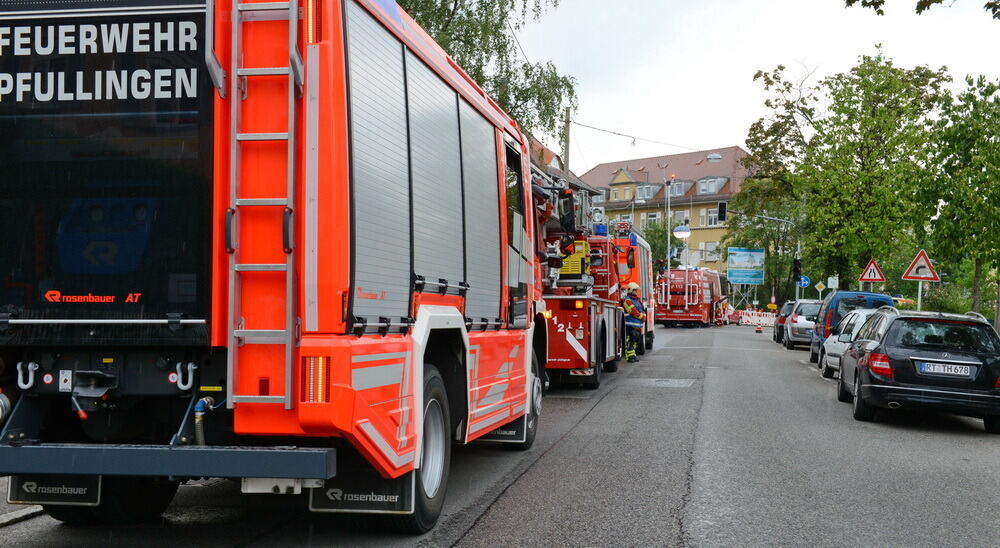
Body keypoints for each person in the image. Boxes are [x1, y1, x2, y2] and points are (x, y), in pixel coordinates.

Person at [622, 282, 647, 363]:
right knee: (630, 341)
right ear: (630, 290)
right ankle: (630, 357)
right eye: (635, 290)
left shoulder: (637, 300)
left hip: (638, 325)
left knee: (636, 341)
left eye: (636, 290)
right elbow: (633, 311)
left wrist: (643, 316)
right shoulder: (627, 300)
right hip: (630, 325)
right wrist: (642, 317)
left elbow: (642, 310)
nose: (636, 292)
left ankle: (633, 355)